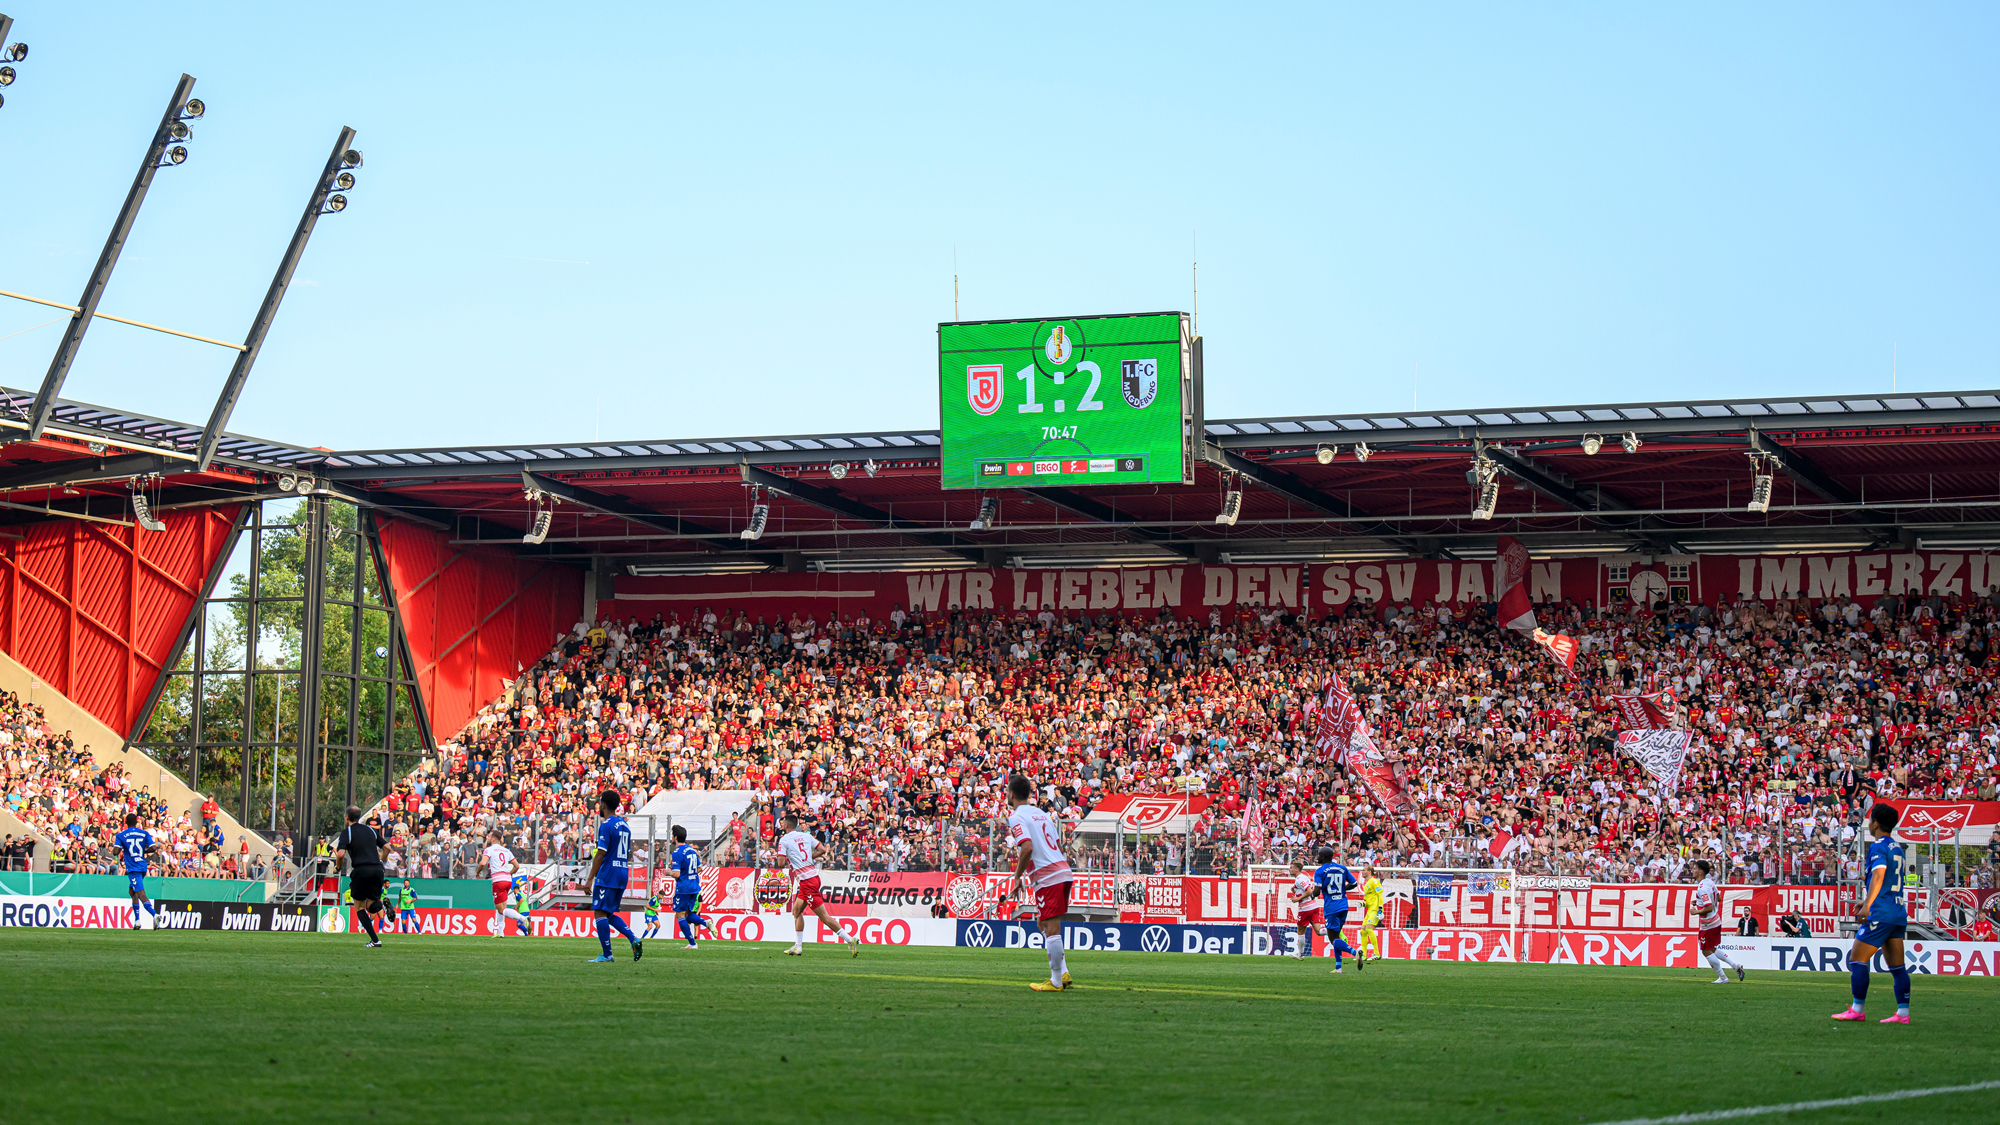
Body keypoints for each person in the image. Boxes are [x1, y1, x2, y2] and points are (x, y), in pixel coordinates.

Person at [1833, 804, 1911, 1024]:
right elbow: (1887, 881)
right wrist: (1866, 900)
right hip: (1897, 911)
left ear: (1875, 823)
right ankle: (1903, 1014)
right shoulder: (1897, 847)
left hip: (1881, 912)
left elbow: (1878, 877)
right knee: (1897, 967)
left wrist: (1869, 905)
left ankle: (1857, 1009)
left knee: (1856, 959)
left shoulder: (1878, 845)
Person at [1005, 774, 1074, 991]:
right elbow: (1058, 846)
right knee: (1043, 923)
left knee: (1051, 928)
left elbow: (1026, 848)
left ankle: (1055, 982)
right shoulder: (1043, 814)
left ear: (1012, 794)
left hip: (1048, 877)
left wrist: (1017, 876)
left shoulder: (1016, 817)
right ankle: (1062, 973)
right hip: (1062, 871)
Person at [776, 811, 857, 957]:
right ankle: (798, 946)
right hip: (813, 877)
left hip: (807, 881)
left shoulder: (784, 840)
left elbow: (781, 863)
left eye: (782, 824)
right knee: (796, 911)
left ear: (786, 825)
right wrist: (808, 858)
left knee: (824, 916)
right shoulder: (806, 836)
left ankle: (850, 939)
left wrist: (785, 857)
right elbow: (823, 849)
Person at [580, 790, 642, 963]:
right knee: (607, 912)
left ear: (604, 805)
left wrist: (590, 878)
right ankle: (633, 939)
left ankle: (607, 954)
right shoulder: (624, 825)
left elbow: (600, 853)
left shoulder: (606, 825)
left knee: (599, 912)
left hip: (608, 873)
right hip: (622, 872)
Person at [334, 806, 388, 949]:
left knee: (359, 906)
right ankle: (378, 905)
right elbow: (388, 847)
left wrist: (338, 867)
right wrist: (381, 861)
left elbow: (340, 855)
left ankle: (375, 940)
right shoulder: (370, 829)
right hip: (377, 869)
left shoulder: (348, 832)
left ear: (346, 817)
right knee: (371, 902)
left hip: (361, 869)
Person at [1692, 860, 1745, 983]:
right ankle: (1735, 965)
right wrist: (1699, 903)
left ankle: (1723, 977)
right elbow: (1718, 898)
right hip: (1716, 920)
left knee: (1706, 950)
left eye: (1694, 868)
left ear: (1700, 871)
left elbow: (1709, 907)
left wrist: (1696, 911)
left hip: (1708, 923)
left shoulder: (1701, 888)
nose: (1692, 871)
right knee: (1712, 948)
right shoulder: (1709, 882)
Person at [1312, 847, 1361, 972]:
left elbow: (1317, 892)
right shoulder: (1342, 868)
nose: (1317, 857)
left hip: (1331, 907)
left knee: (1333, 938)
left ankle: (1355, 952)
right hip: (1343, 905)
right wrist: (1343, 889)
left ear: (1323, 857)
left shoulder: (1320, 871)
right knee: (1337, 935)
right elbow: (1354, 883)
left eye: (1319, 855)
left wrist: (1311, 895)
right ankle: (1338, 967)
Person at [111, 813, 160, 930]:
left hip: (133, 867)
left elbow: (115, 852)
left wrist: (123, 847)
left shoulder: (121, 835)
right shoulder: (144, 833)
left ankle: (155, 914)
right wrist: (142, 850)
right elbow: (154, 847)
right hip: (143, 865)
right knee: (132, 892)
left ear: (126, 822)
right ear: (137, 822)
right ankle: (137, 921)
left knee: (141, 893)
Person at [669, 825, 707, 950]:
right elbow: (700, 868)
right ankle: (705, 922)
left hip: (684, 887)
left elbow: (676, 874)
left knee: (679, 915)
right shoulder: (692, 850)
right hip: (694, 886)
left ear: (675, 837)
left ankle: (692, 943)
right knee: (687, 914)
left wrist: (667, 872)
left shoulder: (677, 852)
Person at [1286, 859, 1325, 960]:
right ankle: (1334, 930)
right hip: (1314, 906)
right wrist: (1294, 888)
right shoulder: (1303, 877)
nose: (1289, 869)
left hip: (1305, 908)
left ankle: (1300, 954)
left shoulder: (1299, 879)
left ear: (1296, 869)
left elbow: (1309, 890)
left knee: (1300, 932)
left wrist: (1297, 899)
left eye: (1291, 868)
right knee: (1319, 931)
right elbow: (1304, 887)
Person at [483, 831, 516, 939]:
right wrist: (508, 874)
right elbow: (517, 866)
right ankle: (501, 932)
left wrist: (478, 871)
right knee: (502, 906)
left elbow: (482, 863)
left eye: (489, 836)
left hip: (498, 880)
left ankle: (523, 918)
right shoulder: (506, 850)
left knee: (501, 909)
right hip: (507, 880)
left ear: (493, 839)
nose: (487, 837)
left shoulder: (489, 849)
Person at [1357, 865, 1384, 962]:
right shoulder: (1366, 884)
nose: (1362, 872)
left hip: (1375, 909)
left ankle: (1376, 954)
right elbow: (1369, 901)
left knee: (1368, 929)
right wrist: (1363, 904)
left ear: (1369, 871)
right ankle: (1363, 955)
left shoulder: (1375, 881)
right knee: (1362, 931)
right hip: (1370, 910)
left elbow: (1380, 895)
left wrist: (1380, 909)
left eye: (1363, 870)